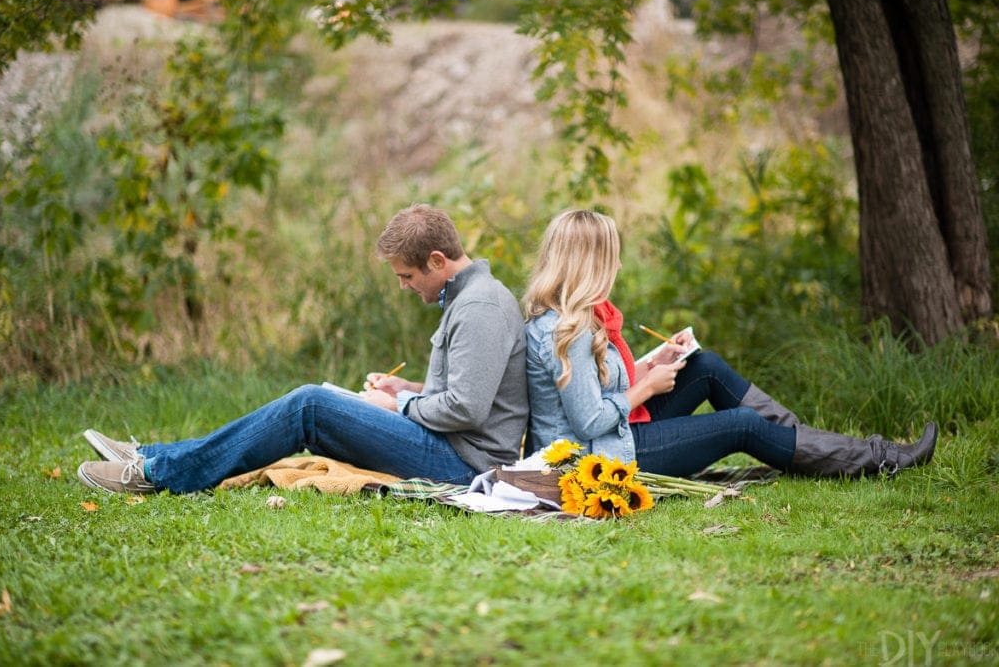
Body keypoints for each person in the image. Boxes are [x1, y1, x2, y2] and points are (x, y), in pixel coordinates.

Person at [77, 204, 529, 494]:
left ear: (437, 261)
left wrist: (398, 403)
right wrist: (406, 387)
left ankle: (158, 476)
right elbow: (463, 391)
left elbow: (467, 410)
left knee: (309, 405)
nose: (404, 286)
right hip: (446, 444)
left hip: (462, 464)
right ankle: (155, 456)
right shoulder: (471, 300)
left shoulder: (481, 307)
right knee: (311, 405)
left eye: (407, 276)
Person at [522, 208, 937, 478]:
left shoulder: (565, 317)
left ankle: (802, 445)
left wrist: (652, 366)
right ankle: (876, 459)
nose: (619, 264)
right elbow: (589, 422)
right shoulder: (569, 331)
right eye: (613, 256)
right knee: (741, 425)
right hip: (599, 461)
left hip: (613, 438)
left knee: (703, 367)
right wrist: (646, 388)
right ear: (591, 262)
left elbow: (596, 390)